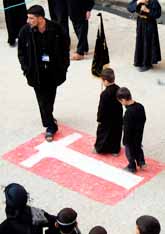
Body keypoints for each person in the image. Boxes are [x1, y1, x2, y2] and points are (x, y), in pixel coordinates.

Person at [18, 5, 70, 142]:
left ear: (40, 18)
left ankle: (49, 115)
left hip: (53, 72)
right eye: (28, 17)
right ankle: (50, 127)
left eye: (31, 18)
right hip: (36, 73)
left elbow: (65, 47)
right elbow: (21, 53)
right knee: (42, 101)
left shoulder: (56, 29)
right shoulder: (25, 31)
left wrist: (64, 66)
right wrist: (26, 68)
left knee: (50, 98)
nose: (28, 20)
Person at [93, 68, 123, 155]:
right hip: (117, 118)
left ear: (105, 81)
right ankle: (115, 150)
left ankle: (99, 149)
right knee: (116, 134)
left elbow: (101, 108)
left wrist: (99, 119)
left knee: (102, 134)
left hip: (106, 119)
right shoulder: (118, 89)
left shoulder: (104, 94)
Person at [117, 87, 146, 173]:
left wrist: (125, 141)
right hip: (139, 134)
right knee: (138, 148)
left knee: (129, 153)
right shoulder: (140, 106)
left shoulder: (128, 113)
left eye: (120, 102)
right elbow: (144, 118)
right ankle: (141, 162)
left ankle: (132, 166)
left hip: (130, 138)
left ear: (123, 100)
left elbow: (127, 129)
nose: (121, 104)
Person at [127, 0, 161, 72]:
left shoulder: (154, 1)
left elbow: (158, 14)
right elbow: (129, 8)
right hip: (140, 23)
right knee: (140, 41)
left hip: (150, 24)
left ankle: (147, 64)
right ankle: (139, 62)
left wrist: (147, 10)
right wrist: (138, 2)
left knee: (148, 42)